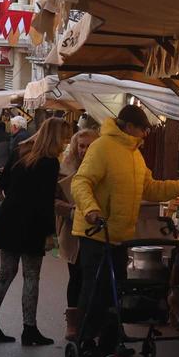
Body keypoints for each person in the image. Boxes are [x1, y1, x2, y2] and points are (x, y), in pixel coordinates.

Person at [67, 104, 179, 357]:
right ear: (129, 126)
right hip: (96, 231)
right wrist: (91, 209)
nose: (146, 134)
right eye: (143, 129)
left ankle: (111, 341)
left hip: (120, 234)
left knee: (116, 289)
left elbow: (149, 188)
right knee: (96, 288)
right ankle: (85, 340)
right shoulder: (102, 147)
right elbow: (81, 181)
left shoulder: (135, 154)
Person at [0, 116, 71, 347]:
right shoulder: (49, 163)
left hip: (10, 219)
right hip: (32, 225)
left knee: (5, 273)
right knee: (31, 276)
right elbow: (44, 201)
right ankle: (29, 329)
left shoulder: (21, 152)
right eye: (65, 137)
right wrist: (50, 232)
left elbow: (5, 183)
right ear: (56, 137)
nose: (66, 142)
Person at [57, 125, 97, 341]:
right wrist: (71, 210)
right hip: (72, 231)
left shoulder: (101, 166)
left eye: (89, 146)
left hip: (95, 230)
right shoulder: (65, 169)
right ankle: (73, 323)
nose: (84, 150)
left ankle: (93, 322)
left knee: (93, 279)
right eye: (81, 146)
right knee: (76, 277)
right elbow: (54, 201)